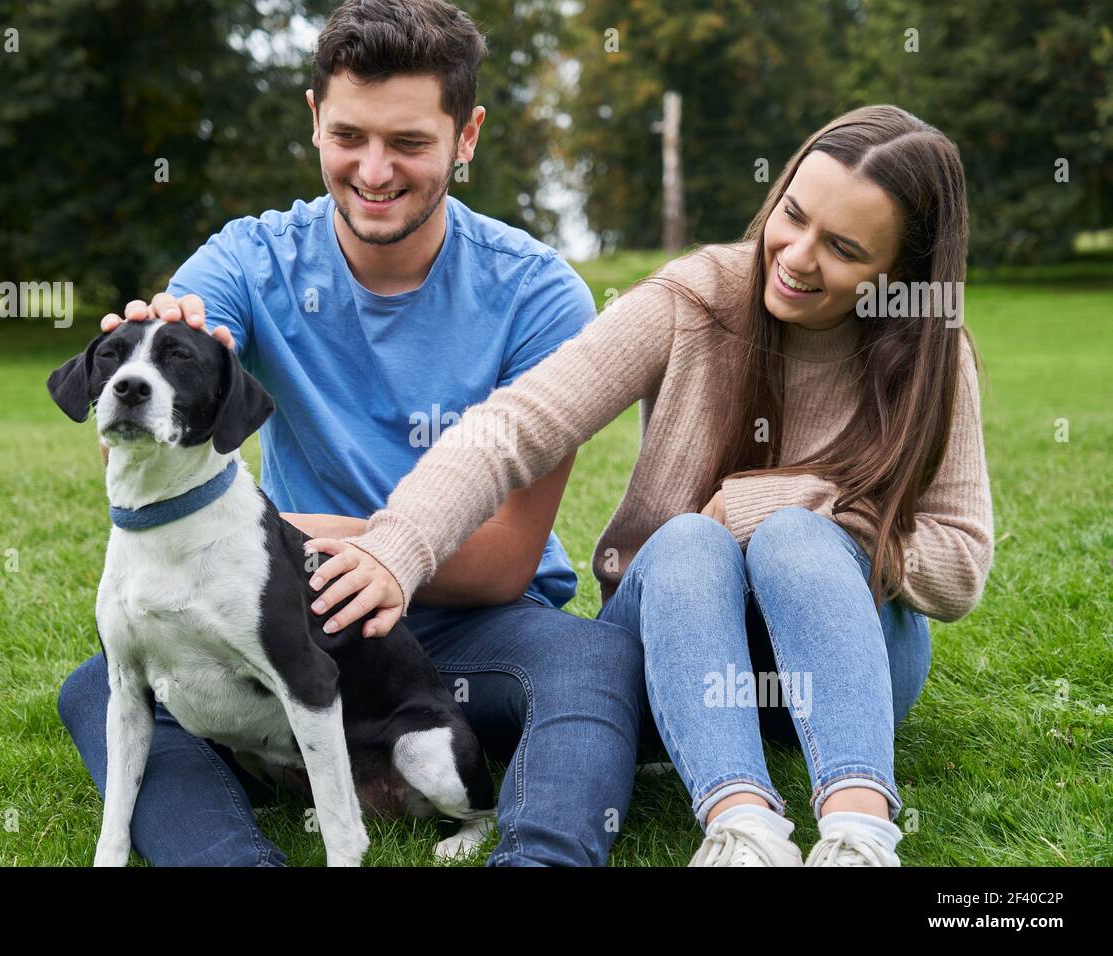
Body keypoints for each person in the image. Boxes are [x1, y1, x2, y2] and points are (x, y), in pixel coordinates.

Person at [306, 104, 995, 867]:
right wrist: (399, 544)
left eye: (842, 248)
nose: (796, 256)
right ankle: (742, 828)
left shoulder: (932, 359)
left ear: (899, 272)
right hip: (678, 643)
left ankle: (860, 832)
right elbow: (520, 423)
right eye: (792, 216)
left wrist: (790, 504)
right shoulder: (697, 299)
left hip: (851, 662)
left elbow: (960, 563)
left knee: (797, 534)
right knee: (693, 535)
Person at [56, 0, 648, 867]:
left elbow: (500, 561)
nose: (374, 171)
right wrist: (147, 365)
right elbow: (165, 379)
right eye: (349, 137)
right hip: (303, 619)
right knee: (96, 686)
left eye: (409, 143)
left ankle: (540, 856)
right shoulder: (246, 261)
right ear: (315, 122)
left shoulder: (537, 296)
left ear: (466, 136)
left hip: (468, 626)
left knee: (594, 663)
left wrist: (312, 540)